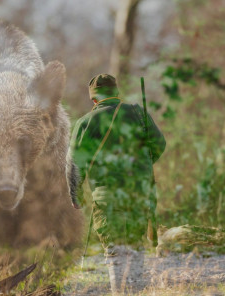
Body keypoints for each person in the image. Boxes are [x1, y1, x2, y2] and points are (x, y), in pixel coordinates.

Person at [69, 74, 166, 252]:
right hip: (138, 195)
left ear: (94, 99)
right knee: (135, 249)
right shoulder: (138, 113)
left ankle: (119, 280)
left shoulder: (86, 122)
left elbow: (75, 162)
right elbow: (159, 144)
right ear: (116, 92)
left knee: (115, 253)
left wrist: (76, 195)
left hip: (107, 199)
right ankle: (135, 279)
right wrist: (143, 165)